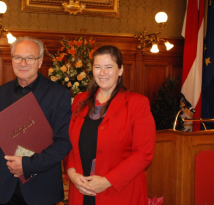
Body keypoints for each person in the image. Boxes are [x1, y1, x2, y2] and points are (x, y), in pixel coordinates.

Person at [64, 45, 156, 205]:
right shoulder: (80, 101)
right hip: (81, 190)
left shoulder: (137, 103)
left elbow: (144, 153)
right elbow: (69, 143)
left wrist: (107, 181)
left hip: (118, 192)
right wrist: (71, 173)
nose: (102, 73)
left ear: (120, 70)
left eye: (109, 67)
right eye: (97, 67)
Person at [0, 37, 72, 205]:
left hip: (41, 187)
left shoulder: (58, 95)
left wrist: (28, 165)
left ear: (40, 61)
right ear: (12, 60)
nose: (23, 63)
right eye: (18, 57)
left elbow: (64, 142)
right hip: (3, 188)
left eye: (30, 58)